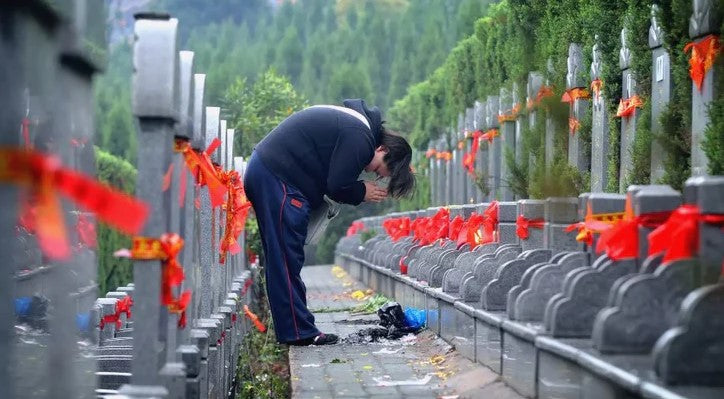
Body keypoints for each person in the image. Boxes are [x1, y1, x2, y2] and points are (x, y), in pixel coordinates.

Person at [244, 99, 415, 345]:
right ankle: (298, 331)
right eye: (379, 171)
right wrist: (360, 192)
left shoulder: (357, 129)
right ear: (383, 150)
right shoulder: (361, 137)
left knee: (284, 257)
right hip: (277, 177)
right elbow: (337, 184)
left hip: (270, 173)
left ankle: (298, 328)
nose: (372, 174)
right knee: (285, 258)